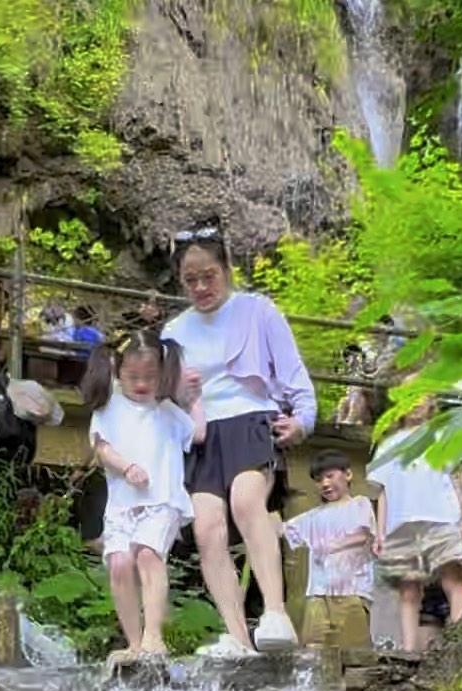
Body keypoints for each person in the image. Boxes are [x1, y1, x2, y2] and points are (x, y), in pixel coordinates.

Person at [161, 226, 316, 658]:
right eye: (190, 280)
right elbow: (163, 401)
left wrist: (302, 420)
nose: (200, 287)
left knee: (248, 503)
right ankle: (236, 635)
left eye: (208, 275)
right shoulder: (174, 331)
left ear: (227, 269)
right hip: (202, 432)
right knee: (207, 527)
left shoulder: (258, 311)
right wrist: (179, 392)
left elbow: (292, 373)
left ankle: (275, 613)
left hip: (251, 418)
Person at [84, 333, 205, 664]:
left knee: (149, 555)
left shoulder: (167, 411)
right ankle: (134, 642)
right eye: (133, 376)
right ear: (116, 371)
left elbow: (198, 433)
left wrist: (194, 400)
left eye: (150, 378)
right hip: (122, 506)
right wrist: (126, 468)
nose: (141, 384)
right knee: (120, 564)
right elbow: (102, 448)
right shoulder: (109, 407)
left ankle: (154, 635)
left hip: (162, 500)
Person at [370, 396, 462, 658]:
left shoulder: (442, 435)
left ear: (431, 403)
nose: (416, 402)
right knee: (408, 589)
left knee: (454, 580)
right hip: (401, 522)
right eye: (410, 396)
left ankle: (458, 646)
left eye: (422, 396)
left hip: (442, 517)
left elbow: (456, 476)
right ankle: (408, 652)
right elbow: (382, 491)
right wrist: (380, 531)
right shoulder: (387, 444)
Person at [284, 451, 376, 651]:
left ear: (348, 475)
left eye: (330, 476)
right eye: (318, 480)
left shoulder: (360, 504)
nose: (324, 484)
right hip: (317, 593)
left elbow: (363, 535)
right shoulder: (312, 517)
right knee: (313, 648)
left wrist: (331, 546)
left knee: (352, 651)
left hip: (352, 591)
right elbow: (282, 530)